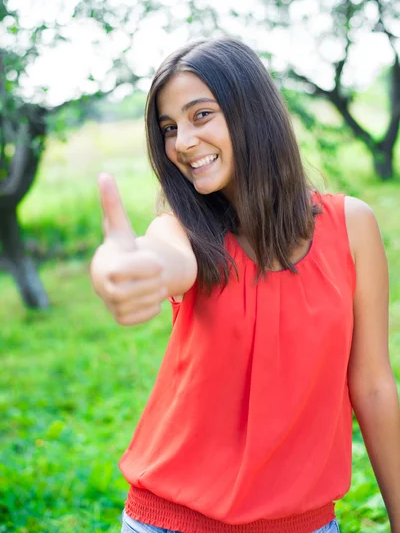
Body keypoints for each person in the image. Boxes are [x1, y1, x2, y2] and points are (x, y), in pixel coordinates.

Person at [90, 38, 400, 533]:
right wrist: (125, 268)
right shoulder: (183, 232)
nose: (182, 143)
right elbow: (162, 258)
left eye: (200, 116)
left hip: (307, 524)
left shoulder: (351, 225)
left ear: (252, 111)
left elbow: (374, 385)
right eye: (169, 128)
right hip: (171, 522)